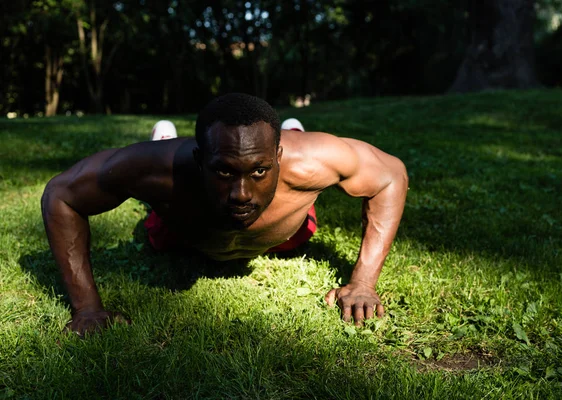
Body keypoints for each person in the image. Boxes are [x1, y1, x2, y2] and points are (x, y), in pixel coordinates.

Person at [41, 93, 408, 337]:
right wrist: (86, 307)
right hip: (185, 234)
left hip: (283, 233)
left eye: (259, 171)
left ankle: (292, 132)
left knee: (300, 214)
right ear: (201, 161)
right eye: (224, 172)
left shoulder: (312, 161)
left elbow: (391, 175)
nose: (242, 193)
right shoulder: (158, 170)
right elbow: (62, 194)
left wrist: (362, 282)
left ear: (278, 157)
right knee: (157, 231)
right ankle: (162, 138)